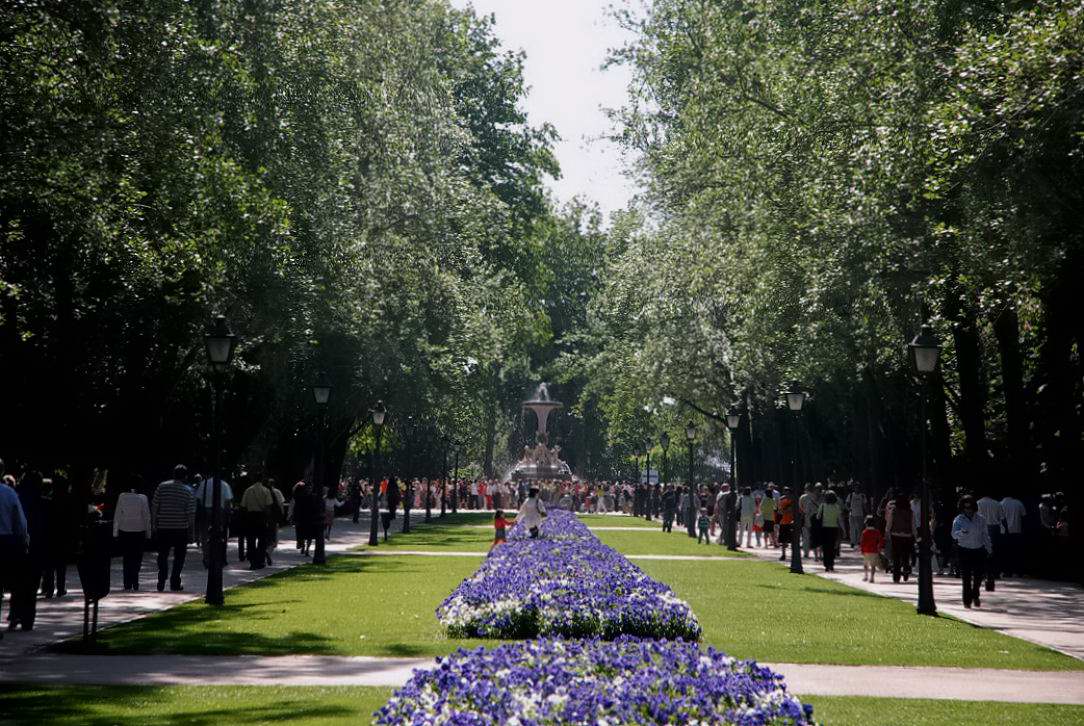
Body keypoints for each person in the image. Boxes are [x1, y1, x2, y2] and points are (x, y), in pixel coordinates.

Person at [152, 465, 196, 591]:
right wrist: (191, 532)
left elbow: (155, 506)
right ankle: (175, 581)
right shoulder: (188, 491)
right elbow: (190, 514)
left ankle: (162, 576)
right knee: (179, 556)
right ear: (185, 476)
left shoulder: (162, 487)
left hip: (163, 527)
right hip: (180, 528)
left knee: (162, 554)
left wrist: (154, 524)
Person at [0, 462, 28, 639]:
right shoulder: (8, 493)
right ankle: (14, 613)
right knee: (12, 580)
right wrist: (23, 540)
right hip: (5, 540)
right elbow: (20, 521)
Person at [952, 495, 993, 609]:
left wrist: (989, 548)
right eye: (965, 508)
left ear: (974, 508)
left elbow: (985, 535)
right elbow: (953, 534)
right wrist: (961, 532)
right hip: (964, 550)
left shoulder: (981, 519)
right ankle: (967, 600)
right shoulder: (958, 520)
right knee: (966, 577)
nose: (968, 510)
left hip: (978, 550)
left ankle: (975, 594)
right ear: (962, 508)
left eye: (970, 508)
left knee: (978, 576)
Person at [113, 476, 152, 591]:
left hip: (125, 530)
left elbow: (117, 515)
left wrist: (115, 533)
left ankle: (127, 583)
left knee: (127, 557)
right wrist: (148, 533)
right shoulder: (143, 498)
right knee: (137, 557)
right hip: (139, 531)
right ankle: (135, 581)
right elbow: (147, 517)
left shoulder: (122, 497)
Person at [195, 474, 233, 569]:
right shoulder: (224, 484)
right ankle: (220, 557)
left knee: (204, 534)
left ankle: (206, 557)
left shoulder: (204, 483)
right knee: (222, 534)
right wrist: (227, 515)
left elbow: (198, 499)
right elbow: (228, 501)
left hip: (205, 510)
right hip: (219, 511)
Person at [239, 478, 274, 570]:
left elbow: (243, 505)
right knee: (262, 540)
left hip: (251, 516)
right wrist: (268, 519)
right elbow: (268, 506)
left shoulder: (248, 490)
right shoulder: (265, 490)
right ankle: (260, 560)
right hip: (261, 516)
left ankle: (252, 561)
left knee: (251, 540)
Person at [885, 493, 914, 583]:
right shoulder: (910, 512)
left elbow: (889, 523)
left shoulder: (894, 511)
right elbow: (913, 525)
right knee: (906, 555)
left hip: (896, 535)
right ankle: (906, 569)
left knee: (896, 556)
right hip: (907, 535)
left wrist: (887, 531)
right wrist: (915, 535)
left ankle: (896, 576)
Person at [999, 493, 1026, 578]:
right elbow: (1024, 516)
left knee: (1005, 552)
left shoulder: (1000, 504)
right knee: (1016, 552)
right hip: (1017, 530)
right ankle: (1017, 571)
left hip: (1004, 532)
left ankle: (1006, 571)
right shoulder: (1018, 503)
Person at [817, 490, 844, 572]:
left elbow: (818, 517)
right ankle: (831, 564)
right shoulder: (837, 507)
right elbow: (840, 519)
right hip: (834, 529)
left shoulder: (822, 506)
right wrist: (844, 529)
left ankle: (826, 565)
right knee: (832, 547)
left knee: (825, 547)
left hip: (824, 528)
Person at [859, 515, 884, 583]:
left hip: (866, 550)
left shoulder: (864, 532)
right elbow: (881, 541)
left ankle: (866, 575)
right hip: (874, 550)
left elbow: (862, 542)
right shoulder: (877, 532)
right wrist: (879, 548)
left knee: (865, 564)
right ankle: (872, 578)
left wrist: (861, 549)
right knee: (873, 565)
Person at [777, 490, 795, 561]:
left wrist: (785, 510)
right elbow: (780, 511)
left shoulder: (793, 502)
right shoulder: (782, 501)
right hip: (783, 523)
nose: (787, 495)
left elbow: (792, 511)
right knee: (783, 541)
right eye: (786, 493)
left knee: (792, 540)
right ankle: (783, 555)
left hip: (791, 523)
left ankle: (793, 555)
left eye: (788, 493)